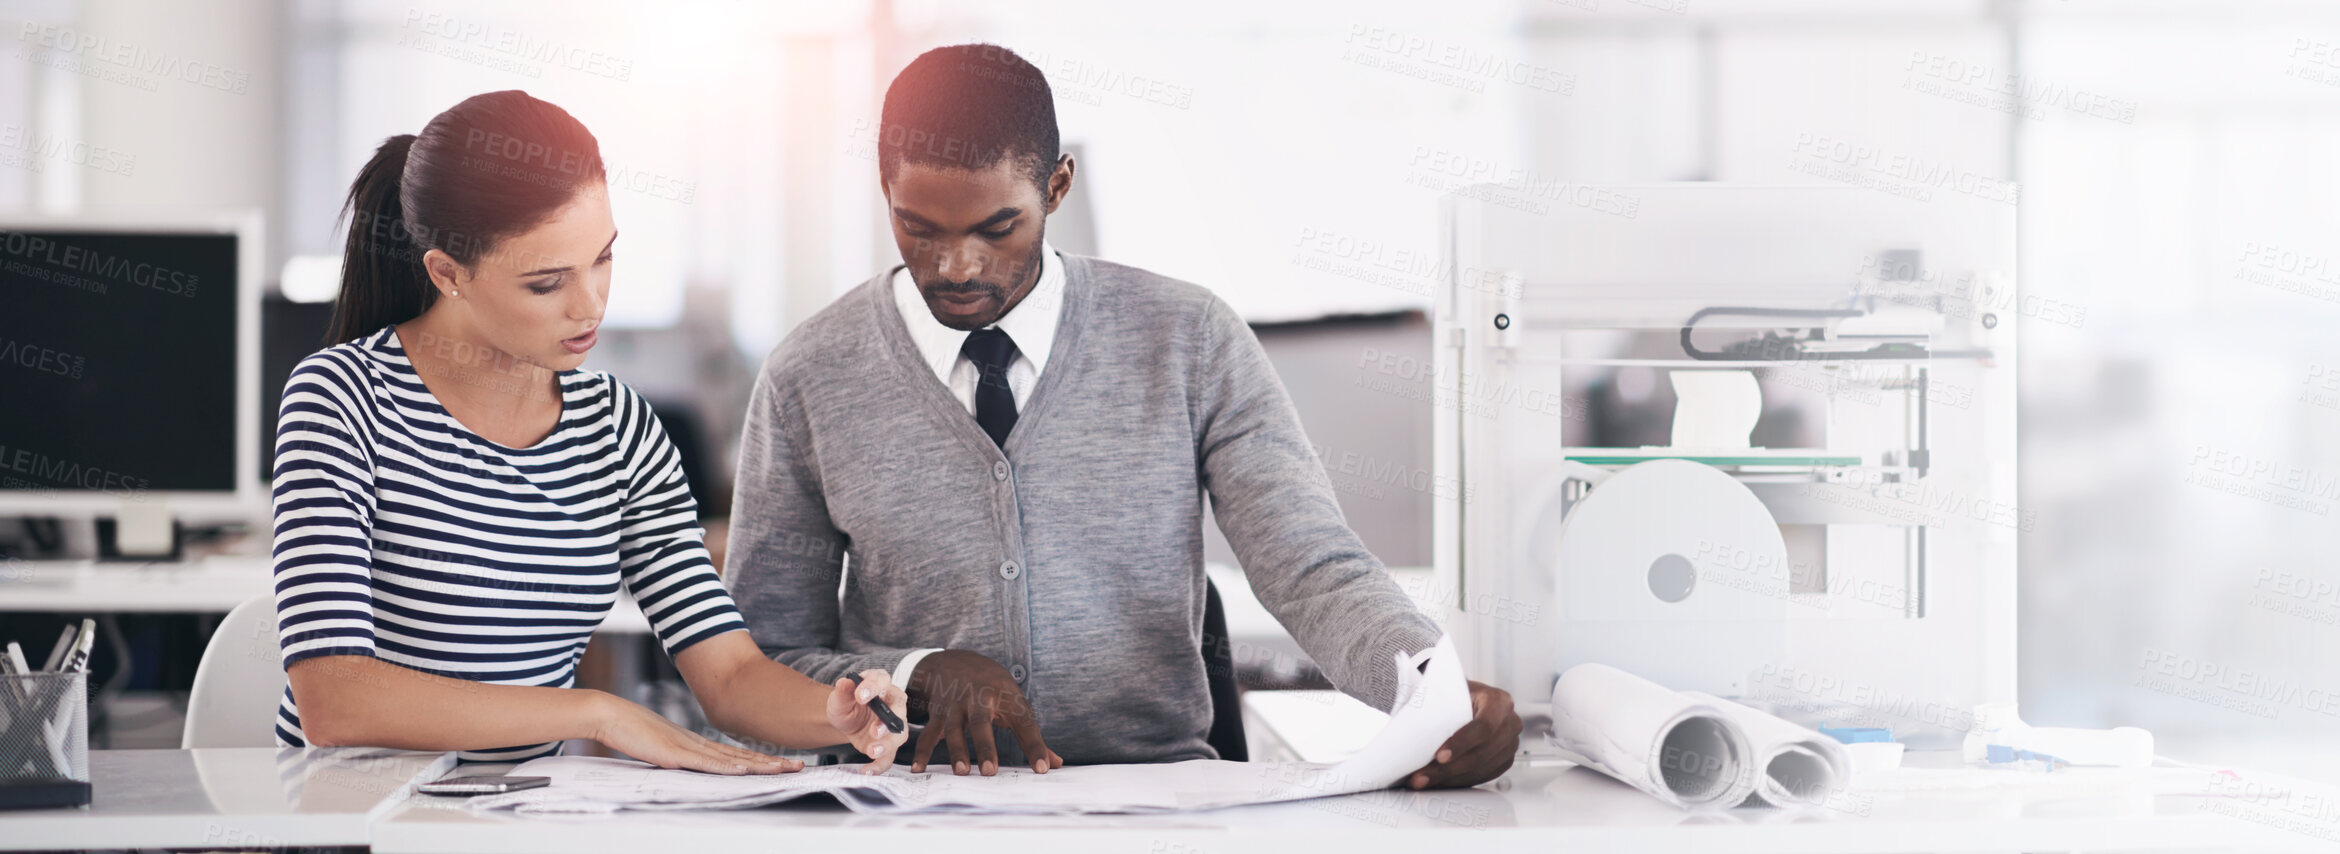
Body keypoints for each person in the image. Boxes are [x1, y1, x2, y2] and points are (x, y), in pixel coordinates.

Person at [726, 46, 1522, 787]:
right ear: (884, 192)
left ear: (1057, 187)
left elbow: (1309, 565)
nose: (957, 267)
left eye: (997, 228)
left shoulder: (1190, 339)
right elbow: (752, 660)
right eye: (918, 228)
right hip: (910, 805)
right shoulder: (810, 375)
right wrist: (912, 672)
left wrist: (1432, 688)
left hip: (1159, 799)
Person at [271, 90, 907, 771]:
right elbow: (335, 700)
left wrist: (836, 712)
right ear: (447, 273)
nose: (591, 304)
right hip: (352, 823)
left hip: (516, 821)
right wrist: (598, 713)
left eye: (603, 258)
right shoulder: (342, 399)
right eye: (546, 283)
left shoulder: (620, 430)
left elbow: (727, 677)